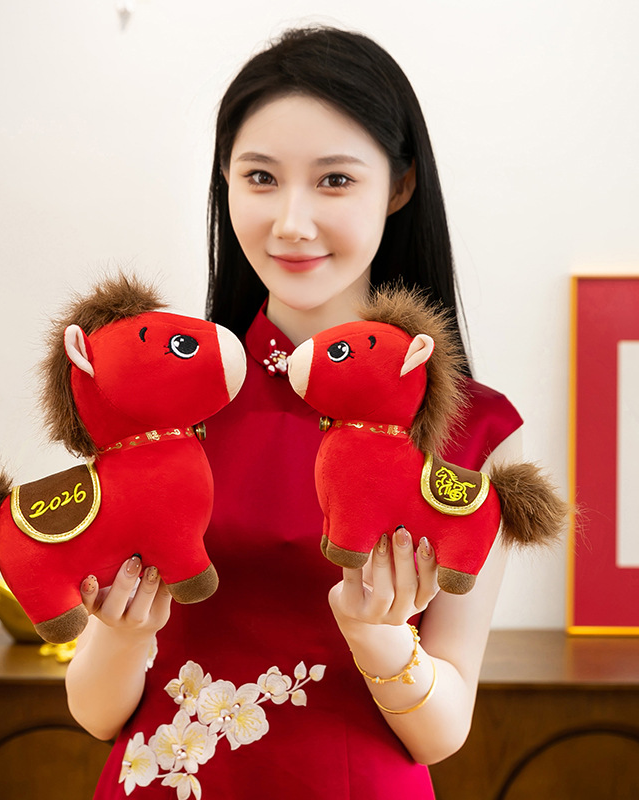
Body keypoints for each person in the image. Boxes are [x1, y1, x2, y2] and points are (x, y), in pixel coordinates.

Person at [65, 25, 524, 799]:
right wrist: (120, 632)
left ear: (400, 185)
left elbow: (442, 733)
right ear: (225, 182)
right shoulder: (152, 400)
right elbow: (96, 712)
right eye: (261, 178)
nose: (291, 222)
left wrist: (378, 635)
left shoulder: (473, 431)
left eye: (334, 180)